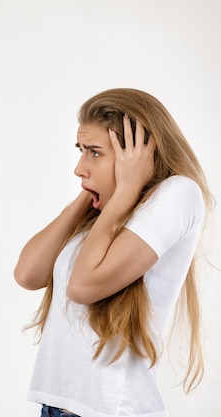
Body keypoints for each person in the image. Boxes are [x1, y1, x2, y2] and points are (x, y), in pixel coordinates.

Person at [14, 88, 213, 417]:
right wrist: (95, 191)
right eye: (81, 150)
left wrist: (125, 188)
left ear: (135, 155)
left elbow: (82, 287)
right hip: (56, 408)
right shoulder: (105, 215)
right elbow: (28, 274)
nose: (79, 167)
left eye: (93, 152)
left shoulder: (178, 193)